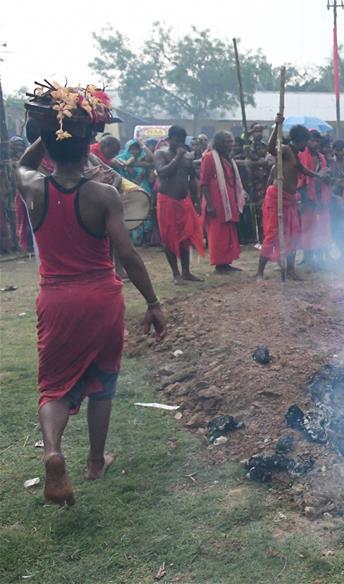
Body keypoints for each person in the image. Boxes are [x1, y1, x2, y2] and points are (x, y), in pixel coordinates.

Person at [15, 88, 166, 506]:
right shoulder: (104, 194)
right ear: (89, 147)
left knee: (54, 388)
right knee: (103, 381)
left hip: (56, 299)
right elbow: (128, 255)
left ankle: (53, 452)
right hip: (101, 298)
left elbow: (22, 164)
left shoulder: (33, 186)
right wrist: (153, 303)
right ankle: (96, 461)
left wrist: (48, 130)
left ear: (50, 144)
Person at [256, 115, 320, 280]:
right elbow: (271, 148)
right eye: (306, 141)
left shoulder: (295, 155)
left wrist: (318, 176)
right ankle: (259, 271)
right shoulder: (285, 150)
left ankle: (290, 270)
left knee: (294, 235)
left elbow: (303, 170)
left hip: (290, 200)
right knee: (273, 235)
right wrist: (277, 126)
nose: (307, 145)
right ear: (301, 140)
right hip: (276, 198)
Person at [154, 126, 205, 283]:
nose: (179, 143)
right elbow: (162, 172)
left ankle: (186, 272)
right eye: (176, 140)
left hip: (185, 201)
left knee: (186, 237)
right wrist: (177, 158)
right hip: (167, 201)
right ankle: (176, 274)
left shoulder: (188, 156)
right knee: (168, 238)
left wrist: (196, 199)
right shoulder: (160, 153)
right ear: (170, 139)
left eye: (182, 140)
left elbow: (192, 178)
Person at [200, 131, 246, 273]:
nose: (230, 145)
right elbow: (204, 182)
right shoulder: (209, 158)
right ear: (219, 143)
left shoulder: (228, 158)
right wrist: (210, 204)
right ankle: (219, 264)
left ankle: (226, 262)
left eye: (231, 141)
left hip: (229, 200)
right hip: (216, 200)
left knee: (228, 231)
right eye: (227, 141)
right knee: (217, 232)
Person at [298, 130, 332, 269]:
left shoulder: (322, 158)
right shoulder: (301, 156)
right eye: (312, 140)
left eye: (317, 141)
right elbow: (300, 177)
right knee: (307, 228)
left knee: (321, 228)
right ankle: (307, 257)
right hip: (307, 196)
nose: (315, 143)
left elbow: (325, 176)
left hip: (320, 196)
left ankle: (320, 257)